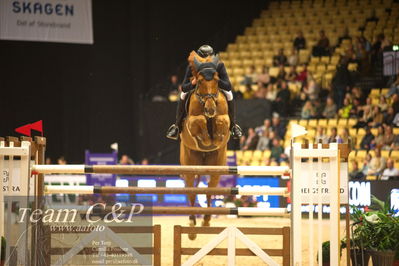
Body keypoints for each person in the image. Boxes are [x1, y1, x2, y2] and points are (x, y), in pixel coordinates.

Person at [166, 45, 243, 140]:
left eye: (208, 58)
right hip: (199, 90)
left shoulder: (219, 65)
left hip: (214, 90)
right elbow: (184, 87)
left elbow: (227, 85)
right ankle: (177, 126)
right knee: (183, 94)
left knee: (229, 94)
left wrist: (216, 81)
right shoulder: (192, 66)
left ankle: (233, 126)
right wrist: (193, 83)